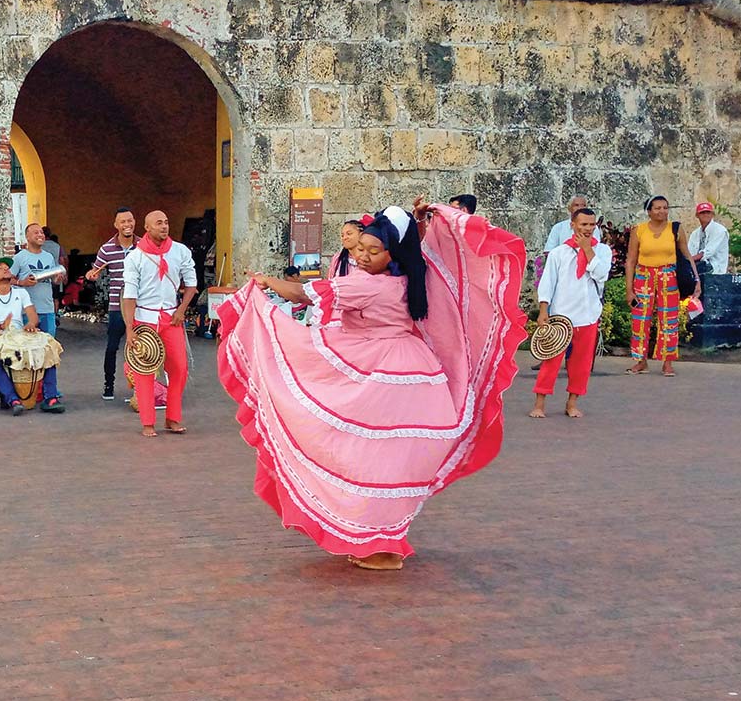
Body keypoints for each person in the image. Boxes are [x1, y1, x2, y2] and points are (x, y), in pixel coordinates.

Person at [219, 202, 526, 570]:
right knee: (386, 461)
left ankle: (381, 543)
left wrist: (268, 283)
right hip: (413, 374)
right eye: (358, 249)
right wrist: (422, 223)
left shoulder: (369, 286)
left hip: (382, 373)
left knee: (368, 457)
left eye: (372, 250)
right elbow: (422, 251)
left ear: (391, 252)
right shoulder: (411, 277)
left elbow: (305, 295)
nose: (362, 256)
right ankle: (381, 539)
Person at [122, 210, 197, 437]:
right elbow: (129, 295)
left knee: (180, 368)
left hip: (171, 317)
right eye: (158, 223)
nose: (164, 226)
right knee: (144, 372)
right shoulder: (135, 257)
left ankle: (172, 417)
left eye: (166, 222)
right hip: (144, 319)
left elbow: (192, 284)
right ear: (147, 228)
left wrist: (181, 310)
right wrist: (129, 328)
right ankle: (147, 422)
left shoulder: (180, 251)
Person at [530, 207, 611, 419]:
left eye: (592, 225)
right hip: (561, 317)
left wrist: (588, 250)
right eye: (583, 224)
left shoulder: (602, 251)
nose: (588, 229)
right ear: (572, 225)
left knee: (581, 364)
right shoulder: (559, 253)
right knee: (551, 361)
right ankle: (540, 403)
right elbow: (548, 282)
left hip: (587, 314)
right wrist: (543, 310)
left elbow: (601, 274)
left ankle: (572, 402)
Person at [0, 256, 64, 414]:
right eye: (0, 267)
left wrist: (31, 324)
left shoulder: (21, 292)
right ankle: (12, 399)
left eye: (7, 267)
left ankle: (50, 397)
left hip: (20, 334)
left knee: (49, 347)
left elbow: (33, 316)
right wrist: (1, 326)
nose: (5, 269)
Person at [623, 195, 698, 376]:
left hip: (668, 277)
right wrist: (629, 289)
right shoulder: (639, 230)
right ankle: (641, 361)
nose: (662, 211)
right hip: (644, 277)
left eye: (665, 207)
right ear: (649, 211)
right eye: (657, 208)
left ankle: (668, 362)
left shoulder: (675, 229)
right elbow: (631, 260)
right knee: (640, 320)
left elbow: (687, 255)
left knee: (669, 320)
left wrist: (697, 280)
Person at [86, 207, 137, 400]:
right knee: (112, 347)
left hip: (140, 306)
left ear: (135, 222)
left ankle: (140, 389)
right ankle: (109, 385)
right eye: (123, 222)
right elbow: (95, 270)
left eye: (130, 220)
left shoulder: (143, 246)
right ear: (116, 225)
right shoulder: (107, 248)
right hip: (117, 305)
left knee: (141, 348)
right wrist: (91, 275)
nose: (127, 224)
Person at [13, 222, 61, 335]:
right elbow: (7, 279)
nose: (40, 235)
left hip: (48, 309)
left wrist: (57, 280)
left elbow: (53, 280)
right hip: (27, 312)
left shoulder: (49, 257)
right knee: (29, 346)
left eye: (42, 232)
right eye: (36, 232)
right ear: (27, 237)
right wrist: (22, 282)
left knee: (49, 346)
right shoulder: (19, 257)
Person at [688, 201, 730, 276]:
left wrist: (688, 260)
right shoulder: (695, 233)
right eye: (702, 213)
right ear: (697, 215)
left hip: (715, 268)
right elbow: (689, 252)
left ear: (712, 214)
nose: (705, 215)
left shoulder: (720, 230)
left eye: (708, 212)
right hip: (698, 265)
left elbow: (707, 253)